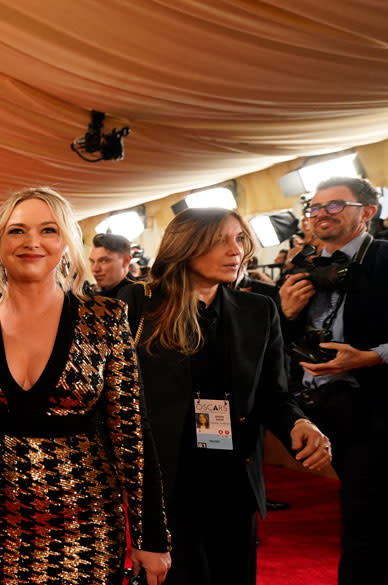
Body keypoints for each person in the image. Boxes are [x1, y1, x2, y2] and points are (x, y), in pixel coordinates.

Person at [0, 188, 170, 585]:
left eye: (48, 229)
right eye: (17, 231)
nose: (32, 242)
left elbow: (132, 431)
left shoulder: (105, 318)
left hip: (86, 521)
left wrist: (149, 534)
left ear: (66, 241)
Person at [117, 208, 331, 585]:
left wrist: (299, 422)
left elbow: (273, 395)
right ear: (185, 246)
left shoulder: (258, 310)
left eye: (240, 240)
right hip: (169, 482)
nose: (236, 251)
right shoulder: (138, 305)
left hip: (234, 479)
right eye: (220, 241)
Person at [278, 177, 388, 585]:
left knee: (366, 523)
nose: (321, 214)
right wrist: (284, 314)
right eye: (315, 207)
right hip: (320, 411)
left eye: (334, 205)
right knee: (359, 514)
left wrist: (372, 356)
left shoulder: (384, 258)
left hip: (375, 410)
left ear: (367, 213)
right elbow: (278, 346)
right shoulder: (301, 268)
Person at [88, 232, 134, 297]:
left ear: (126, 261)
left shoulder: (138, 298)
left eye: (103, 261)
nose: (95, 269)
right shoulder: (93, 293)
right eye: (92, 262)